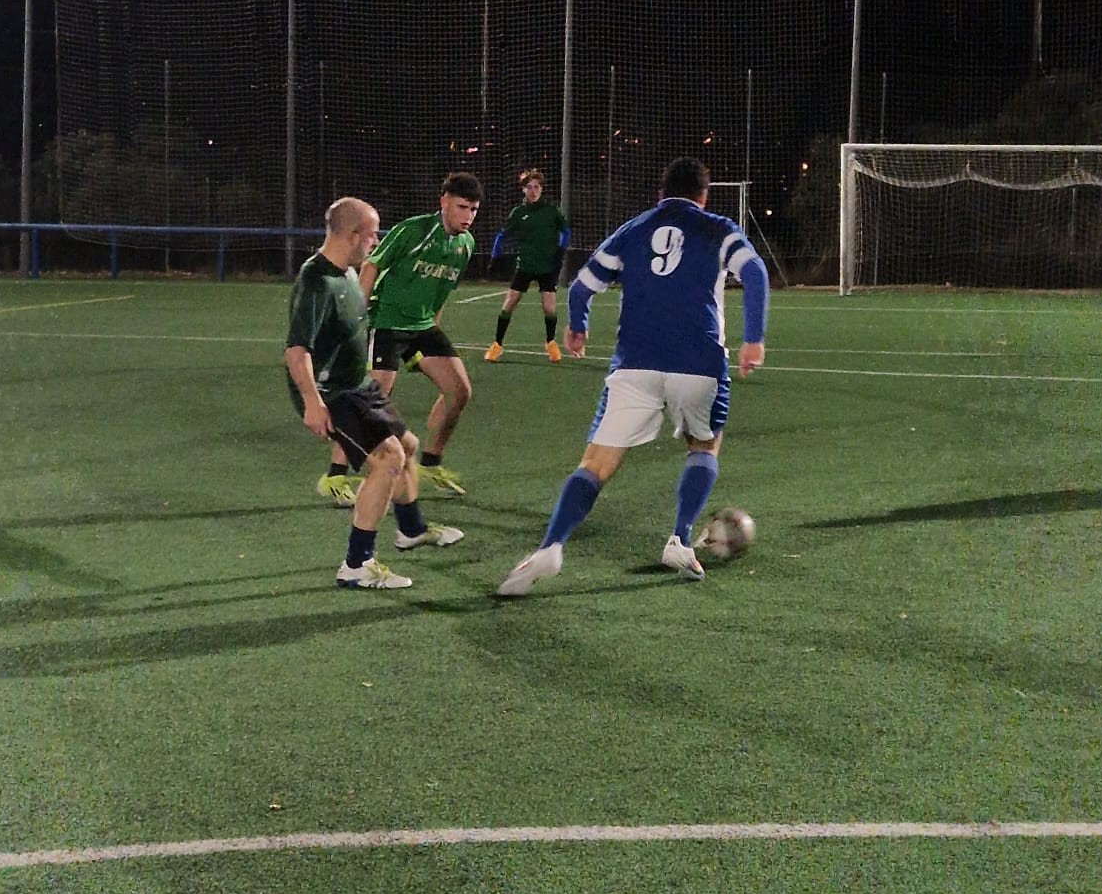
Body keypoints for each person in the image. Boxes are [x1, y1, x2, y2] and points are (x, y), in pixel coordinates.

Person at [498, 156, 768, 596]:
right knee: (704, 445)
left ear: (661, 194)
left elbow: (582, 285)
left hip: (634, 362)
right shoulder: (718, 227)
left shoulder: (633, 229)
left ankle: (551, 547)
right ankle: (679, 539)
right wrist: (753, 338)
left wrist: (578, 325)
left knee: (595, 464)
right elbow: (754, 272)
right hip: (698, 362)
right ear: (703, 196)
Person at [286, 196, 463, 588]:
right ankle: (356, 565)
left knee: (407, 445)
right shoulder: (316, 280)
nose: (376, 240)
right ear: (353, 235)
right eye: (372, 233)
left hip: (358, 385)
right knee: (387, 459)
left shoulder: (349, 273)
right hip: (331, 392)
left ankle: (411, 530)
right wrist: (312, 402)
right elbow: (297, 350)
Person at [319, 170, 483, 502]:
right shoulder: (414, 231)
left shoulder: (465, 245)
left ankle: (431, 464)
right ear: (444, 203)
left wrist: (433, 329)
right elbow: (371, 266)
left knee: (459, 392)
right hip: (386, 322)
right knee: (370, 401)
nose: (468, 216)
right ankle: (334, 477)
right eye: (462, 207)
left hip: (422, 327)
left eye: (474, 210)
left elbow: (441, 292)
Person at [484, 167, 571, 363]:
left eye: (536, 187)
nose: (533, 191)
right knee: (509, 304)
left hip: (547, 266)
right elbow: (502, 235)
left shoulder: (551, 211)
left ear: (542, 189)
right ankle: (497, 345)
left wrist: (560, 251)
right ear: (523, 189)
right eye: (529, 187)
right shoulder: (518, 213)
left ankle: (550, 343)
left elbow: (566, 231)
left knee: (549, 308)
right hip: (525, 265)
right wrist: (495, 257)